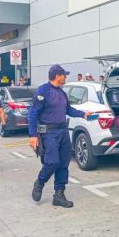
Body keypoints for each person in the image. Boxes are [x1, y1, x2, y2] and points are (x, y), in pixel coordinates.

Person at [29, 64, 93, 208]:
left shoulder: (62, 93)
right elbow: (33, 113)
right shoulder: (43, 91)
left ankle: (59, 195)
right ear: (58, 76)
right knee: (52, 162)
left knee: (63, 163)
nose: (65, 77)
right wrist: (33, 135)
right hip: (49, 132)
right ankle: (40, 182)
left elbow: (68, 109)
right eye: (64, 75)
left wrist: (83, 114)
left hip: (63, 132)